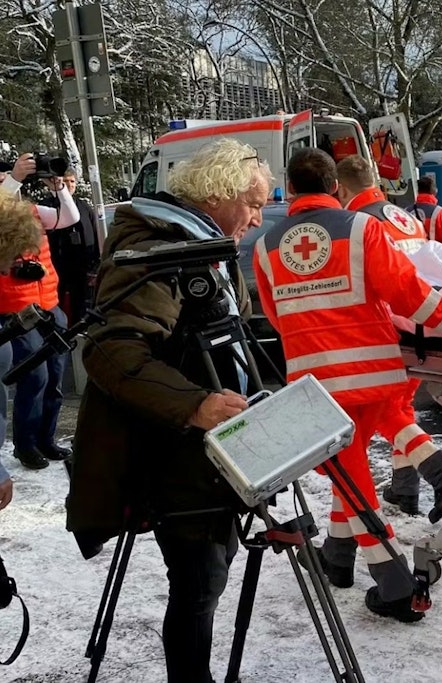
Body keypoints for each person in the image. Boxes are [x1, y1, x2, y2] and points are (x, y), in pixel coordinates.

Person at [66, 139, 270, 683]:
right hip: (176, 456)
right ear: (219, 194)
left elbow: (222, 334)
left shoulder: (197, 243)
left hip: (213, 450)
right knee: (199, 583)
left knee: (208, 577)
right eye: (252, 203)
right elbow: (113, 350)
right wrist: (194, 404)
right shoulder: (159, 246)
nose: (256, 218)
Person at [254, 148, 442, 622]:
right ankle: (337, 558)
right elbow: (407, 293)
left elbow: (278, 318)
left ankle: (393, 580)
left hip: (319, 385)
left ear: (290, 189)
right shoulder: (361, 229)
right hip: (375, 376)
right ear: (335, 187)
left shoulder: (265, 246)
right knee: (350, 473)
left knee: (349, 476)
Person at [336, 155, 442, 521]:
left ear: (343, 189)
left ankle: (438, 473)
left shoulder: (359, 223)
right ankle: (404, 489)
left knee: (383, 412)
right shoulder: (405, 217)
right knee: (402, 409)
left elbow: (385, 282)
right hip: (421, 329)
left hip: (390, 329)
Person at [0, 153, 80, 470]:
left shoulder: (31, 212)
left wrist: (59, 188)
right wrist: (15, 178)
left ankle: (46, 438)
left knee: (54, 378)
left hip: (48, 305)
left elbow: (69, 217)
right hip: (16, 313)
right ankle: (26, 444)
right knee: (35, 377)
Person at [43, 169, 101, 326]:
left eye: (72, 181)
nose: (69, 185)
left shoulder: (83, 207)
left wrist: (95, 261)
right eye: (65, 181)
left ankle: (78, 327)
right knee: (57, 303)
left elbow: (94, 232)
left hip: (80, 265)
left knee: (80, 301)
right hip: (56, 265)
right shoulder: (47, 206)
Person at [408, 175, 442, 250]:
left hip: (412, 257)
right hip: (434, 256)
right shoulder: (439, 213)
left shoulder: (406, 211)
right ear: (434, 190)